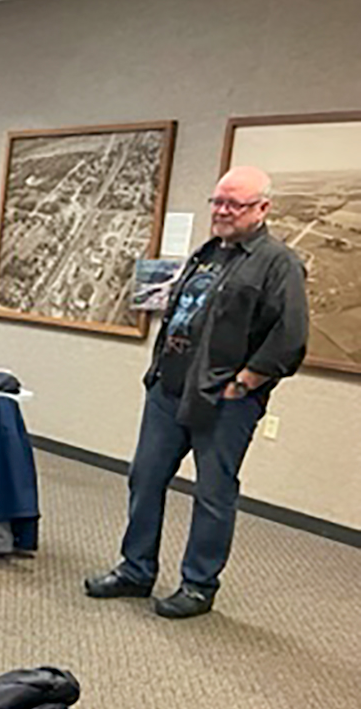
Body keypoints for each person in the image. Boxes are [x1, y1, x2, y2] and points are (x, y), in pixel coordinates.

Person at [85, 165, 308, 619]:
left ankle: (198, 585)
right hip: (169, 390)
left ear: (262, 208)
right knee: (145, 478)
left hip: (224, 401)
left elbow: (290, 338)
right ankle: (135, 570)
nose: (222, 211)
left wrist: (245, 383)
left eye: (234, 204)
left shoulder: (278, 262)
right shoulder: (207, 253)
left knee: (212, 492)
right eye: (218, 202)